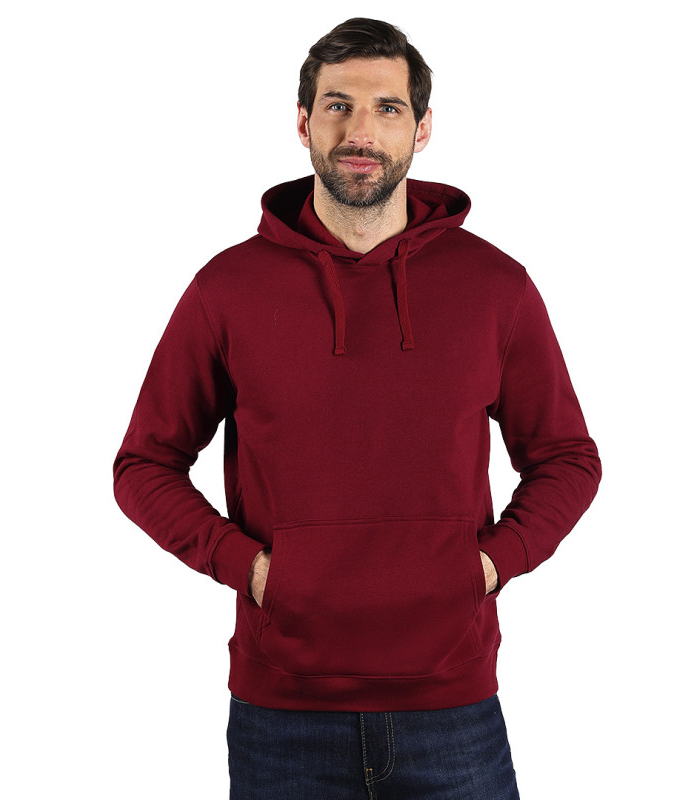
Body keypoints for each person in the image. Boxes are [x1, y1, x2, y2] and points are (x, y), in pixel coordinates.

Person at [113, 17, 601, 799]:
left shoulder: (495, 288)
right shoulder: (227, 290)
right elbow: (144, 465)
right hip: (282, 717)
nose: (360, 132)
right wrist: (252, 571)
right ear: (303, 122)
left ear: (423, 127)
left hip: (453, 710)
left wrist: (487, 566)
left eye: (387, 108)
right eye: (338, 106)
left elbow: (567, 459)